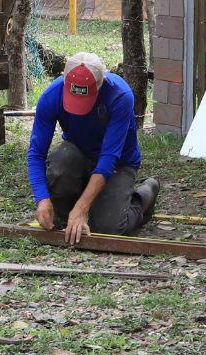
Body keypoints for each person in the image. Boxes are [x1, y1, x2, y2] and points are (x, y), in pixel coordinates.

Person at [27, 53, 160, 244]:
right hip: (78, 152)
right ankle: (74, 207)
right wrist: (42, 199)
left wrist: (81, 209)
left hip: (118, 163)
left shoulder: (120, 96)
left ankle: (146, 192)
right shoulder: (51, 96)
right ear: (64, 80)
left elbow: (108, 158)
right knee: (56, 217)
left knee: (108, 229)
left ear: (101, 83)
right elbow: (36, 154)